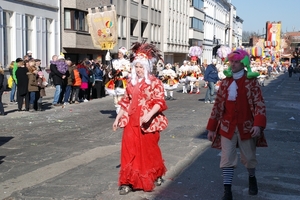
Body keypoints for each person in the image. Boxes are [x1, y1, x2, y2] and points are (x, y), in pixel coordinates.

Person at [206, 49, 267, 200]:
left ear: (243, 63)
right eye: (231, 61)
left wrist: (258, 125)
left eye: (236, 61)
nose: (233, 64)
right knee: (226, 158)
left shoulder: (251, 82)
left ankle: (252, 178)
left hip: (246, 127)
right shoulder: (225, 82)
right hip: (227, 127)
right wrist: (212, 128)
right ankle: (227, 191)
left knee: (249, 159)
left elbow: (259, 103)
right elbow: (218, 106)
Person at [112, 42, 168, 195]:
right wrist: (118, 118)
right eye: (136, 66)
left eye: (141, 67)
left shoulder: (155, 83)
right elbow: (125, 101)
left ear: (147, 67)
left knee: (149, 151)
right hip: (131, 121)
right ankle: (127, 182)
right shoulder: (130, 83)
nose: (138, 69)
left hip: (148, 123)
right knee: (129, 151)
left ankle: (154, 174)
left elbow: (159, 102)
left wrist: (149, 115)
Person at [105, 47, 131, 113]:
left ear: (123, 54)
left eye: (120, 53)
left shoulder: (126, 62)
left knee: (120, 96)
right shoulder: (113, 61)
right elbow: (109, 71)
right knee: (115, 97)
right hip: (114, 81)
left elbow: (128, 71)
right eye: (118, 52)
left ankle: (121, 110)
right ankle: (118, 109)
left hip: (121, 81)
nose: (118, 54)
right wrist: (111, 73)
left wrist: (121, 73)